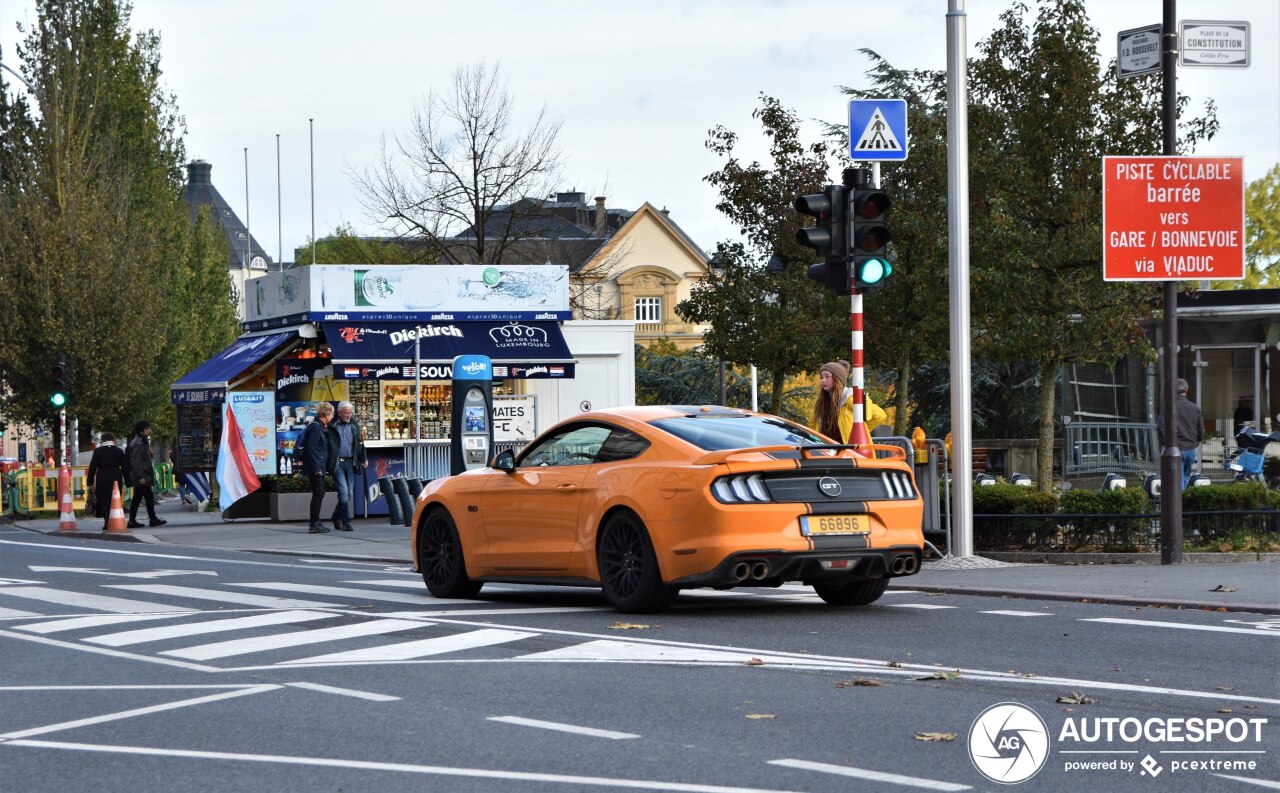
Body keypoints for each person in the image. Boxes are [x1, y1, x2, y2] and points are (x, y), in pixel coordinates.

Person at [810, 360, 888, 443]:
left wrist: (858, 432)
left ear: (837, 379)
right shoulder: (821, 403)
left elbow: (880, 415)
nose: (823, 380)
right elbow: (813, 426)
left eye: (827, 376)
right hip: (826, 452)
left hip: (850, 452)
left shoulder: (851, 399)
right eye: (821, 377)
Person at [327, 400, 368, 532]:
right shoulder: (332, 426)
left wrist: (363, 458)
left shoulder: (354, 425)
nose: (348, 415)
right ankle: (346, 521)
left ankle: (335, 517)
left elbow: (359, 444)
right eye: (346, 413)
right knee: (344, 493)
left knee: (349, 494)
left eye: (350, 412)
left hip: (351, 462)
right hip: (338, 463)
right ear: (339, 413)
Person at [1157, 378, 1204, 490]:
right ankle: (1183, 503)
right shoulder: (1195, 408)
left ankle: (1179, 504)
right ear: (1186, 390)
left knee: (1176, 481)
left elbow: (1160, 428)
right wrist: (1194, 443)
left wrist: (1166, 444)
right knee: (1184, 479)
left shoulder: (1168, 408)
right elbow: (1201, 430)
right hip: (1190, 449)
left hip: (1175, 448)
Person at [299, 401, 334, 534]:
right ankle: (314, 523)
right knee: (318, 493)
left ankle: (315, 522)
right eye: (332, 413)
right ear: (327, 413)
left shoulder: (320, 426)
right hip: (315, 466)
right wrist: (317, 468)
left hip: (318, 465)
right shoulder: (315, 427)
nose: (332, 416)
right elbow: (311, 448)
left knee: (320, 493)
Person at [126, 421, 166, 528]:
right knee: (148, 496)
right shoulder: (137, 444)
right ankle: (152, 519)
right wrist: (141, 477)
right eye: (147, 429)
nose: (150, 430)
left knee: (137, 497)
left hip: (144, 474)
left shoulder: (143, 442)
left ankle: (132, 520)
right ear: (141, 431)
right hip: (141, 475)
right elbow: (136, 462)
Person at [86, 433, 127, 530]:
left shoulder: (98, 451)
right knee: (115, 498)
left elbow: (92, 467)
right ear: (113, 439)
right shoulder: (119, 451)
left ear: (102, 440)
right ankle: (115, 519)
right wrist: (129, 481)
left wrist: (90, 481)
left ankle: (106, 520)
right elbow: (125, 467)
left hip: (102, 476)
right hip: (116, 475)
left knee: (103, 498)